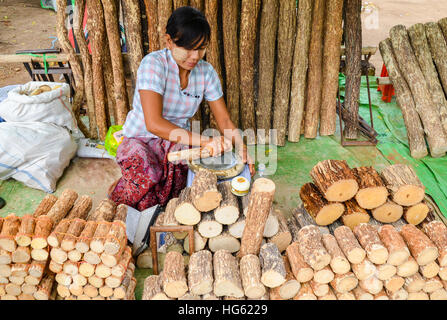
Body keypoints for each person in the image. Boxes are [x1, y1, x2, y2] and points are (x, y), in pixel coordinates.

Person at [109, 6, 255, 211]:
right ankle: (117, 194)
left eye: (201, 48)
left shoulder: (206, 73)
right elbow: (154, 123)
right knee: (147, 178)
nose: (195, 56)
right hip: (139, 138)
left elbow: (224, 121)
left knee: (176, 193)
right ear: (169, 41)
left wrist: (242, 149)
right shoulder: (154, 64)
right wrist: (206, 141)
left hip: (175, 141)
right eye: (188, 48)